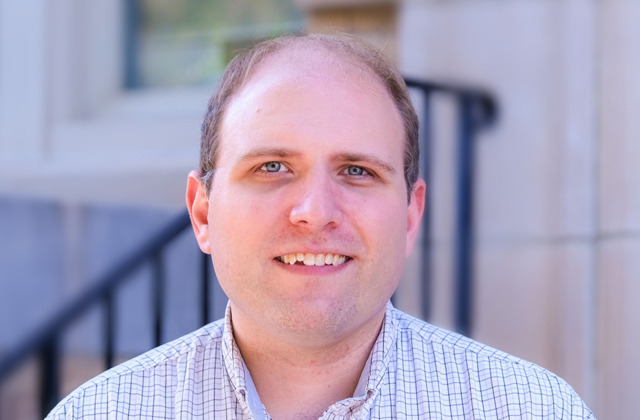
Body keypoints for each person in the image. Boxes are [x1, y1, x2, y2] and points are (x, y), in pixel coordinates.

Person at [46, 33, 595, 419]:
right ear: (203, 212)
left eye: (357, 171)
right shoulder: (102, 414)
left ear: (410, 216)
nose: (314, 210)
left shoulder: (531, 410)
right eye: (272, 167)